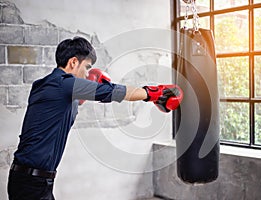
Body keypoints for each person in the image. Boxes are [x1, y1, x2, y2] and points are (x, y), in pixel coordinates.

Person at [7, 37, 183, 200]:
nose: (87, 73)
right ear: (73, 62)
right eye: (87, 67)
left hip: (30, 179)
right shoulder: (64, 84)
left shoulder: (45, 85)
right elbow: (112, 92)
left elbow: (60, 109)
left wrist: (83, 95)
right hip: (32, 183)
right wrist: (153, 93)